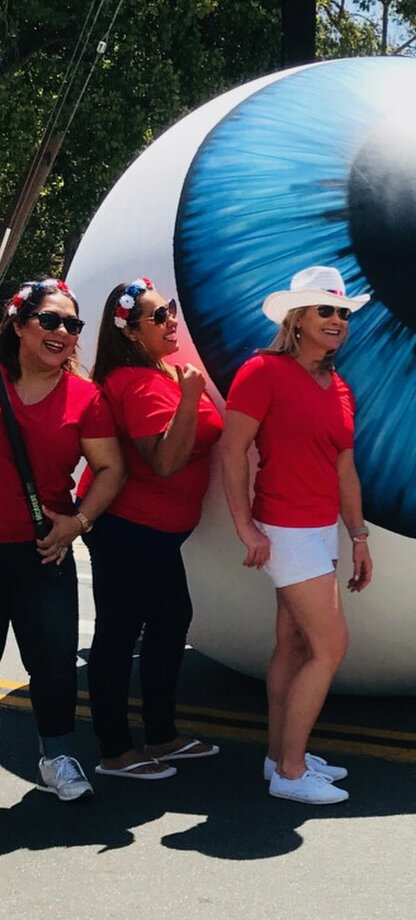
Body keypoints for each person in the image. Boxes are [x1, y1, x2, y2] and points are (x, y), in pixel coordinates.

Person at [221, 265, 373, 805]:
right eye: (325, 310)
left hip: (319, 530)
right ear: (298, 319)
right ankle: (290, 772)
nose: (337, 320)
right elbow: (233, 450)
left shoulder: (339, 387)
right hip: (283, 527)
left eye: (342, 312)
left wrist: (358, 537)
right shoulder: (261, 371)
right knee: (332, 645)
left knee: (293, 644)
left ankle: (279, 757)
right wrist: (245, 526)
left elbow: (344, 470)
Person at [80, 277, 223, 779]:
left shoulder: (159, 371)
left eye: (171, 311)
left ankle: (162, 735)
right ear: (131, 332)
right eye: (159, 316)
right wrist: (189, 398)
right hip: (129, 531)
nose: (171, 322)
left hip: (157, 535)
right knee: (120, 634)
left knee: (168, 623)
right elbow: (164, 462)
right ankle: (115, 750)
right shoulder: (138, 383)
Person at [0, 278, 124, 801]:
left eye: (72, 325)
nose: (64, 332)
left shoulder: (85, 396)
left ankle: (57, 757)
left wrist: (77, 523)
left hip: (42, 551)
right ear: (19, 324)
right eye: (50, 320)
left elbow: (110, 467)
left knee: (53, 661)